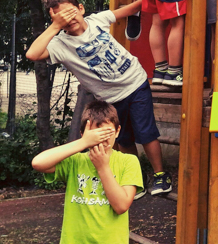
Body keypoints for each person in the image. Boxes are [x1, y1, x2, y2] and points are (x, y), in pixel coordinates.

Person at [26, 0, 172, 198]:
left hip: (136, 82)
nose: (68, 20)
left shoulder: (96, 20)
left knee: (146, 132)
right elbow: (32, 54)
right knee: (124, 139)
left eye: (70, 13)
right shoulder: (60, 45)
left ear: (80, 8)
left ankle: (160, 174)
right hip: (111, 98)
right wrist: (55, 26)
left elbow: (129, 10)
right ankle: (135, 176)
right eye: (60, 18)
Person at [32, 102, 143, 244]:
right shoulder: (75, 161)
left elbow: (121, 206)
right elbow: (38, 163)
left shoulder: (128, 161)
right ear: (83, 134)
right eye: (94, 134)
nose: (101, 138)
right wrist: (83, 143)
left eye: (106, 132)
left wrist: (102, 167)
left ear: (117, 131)